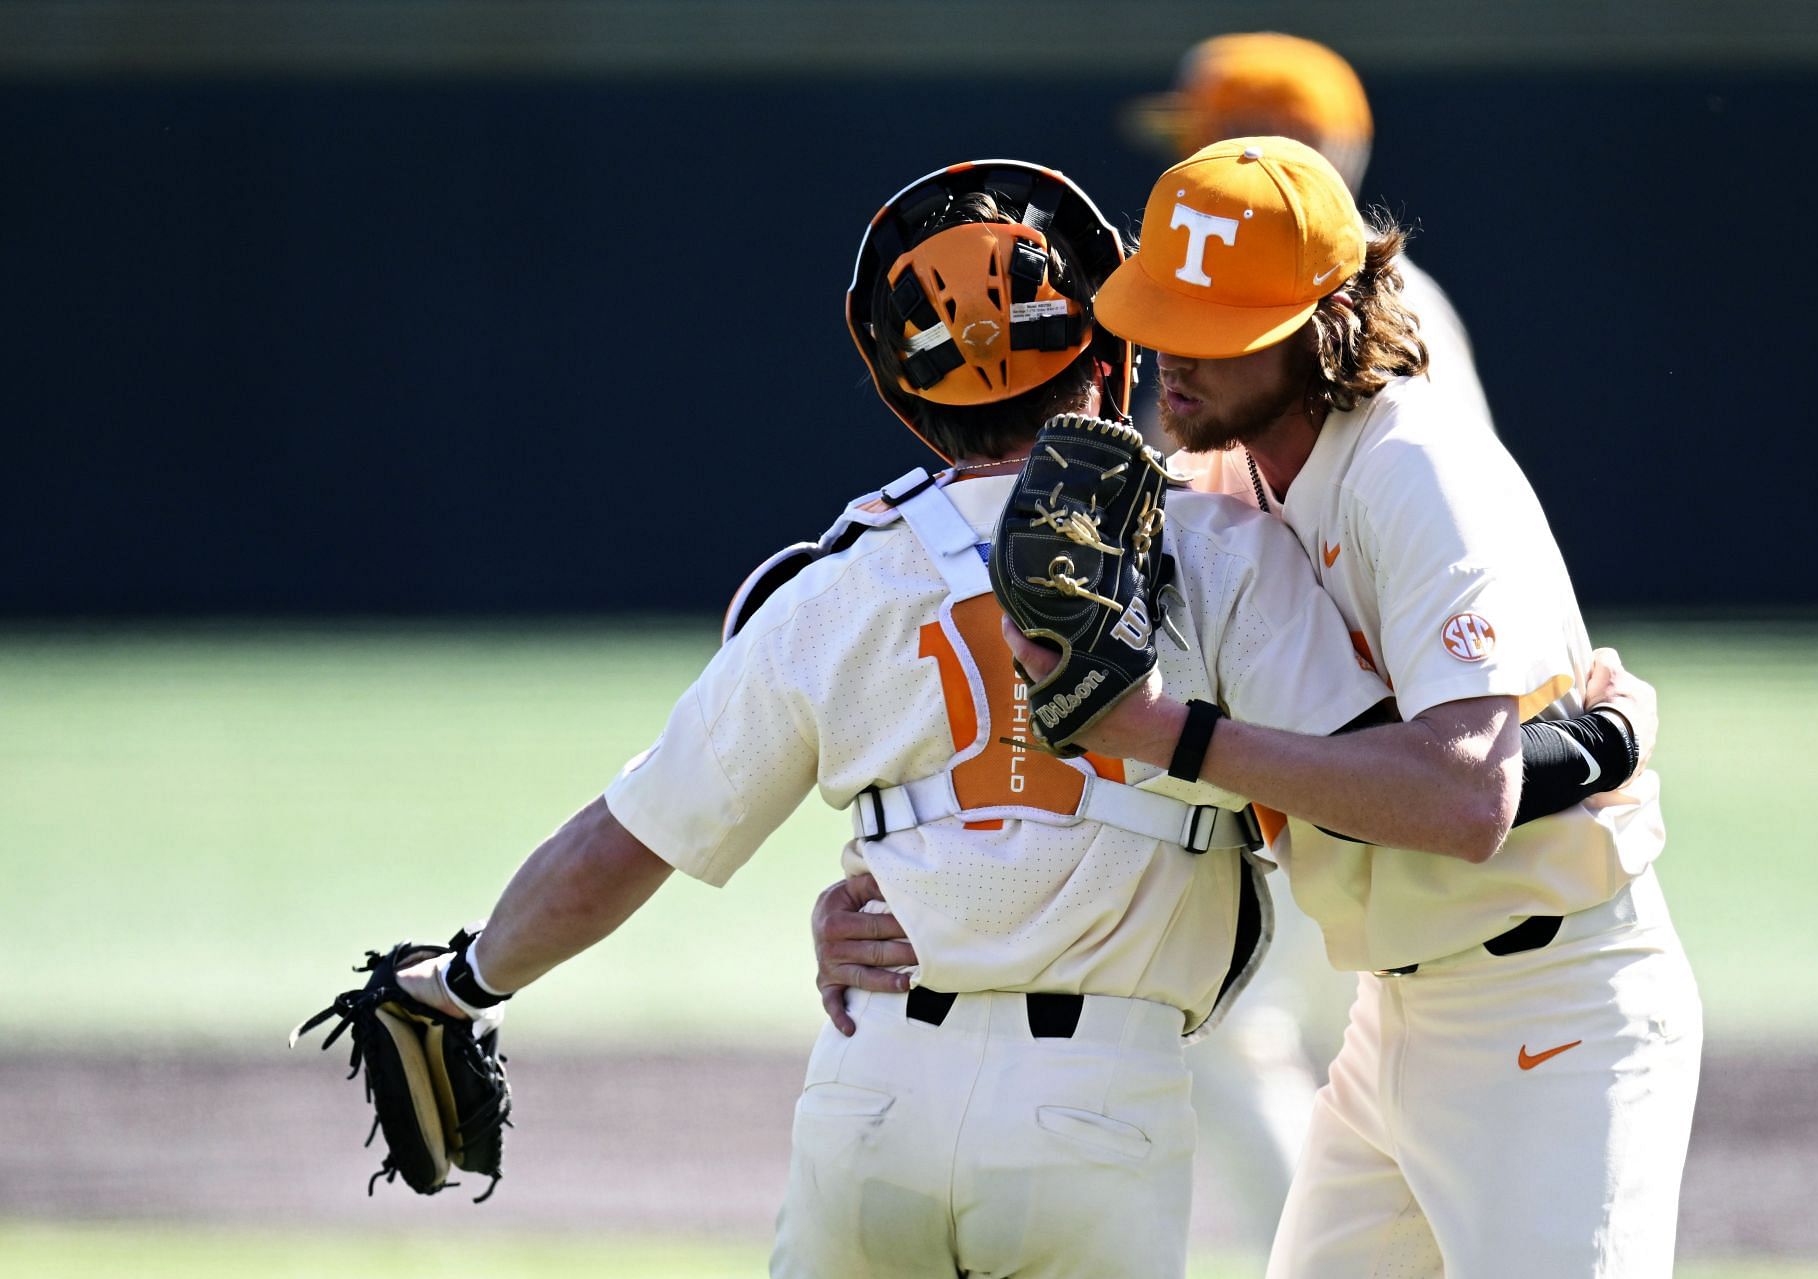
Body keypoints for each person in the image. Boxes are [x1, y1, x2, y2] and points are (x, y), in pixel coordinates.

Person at [391, 157, 1399, 1278]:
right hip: (1098, 1104)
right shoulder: (1223, 550)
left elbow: (624, 839)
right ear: (1110, 359)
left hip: (872, 1090)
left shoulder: (833, 584)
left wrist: (463, 980)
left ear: (904, 394)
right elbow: (1376, 794)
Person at [1023, 136, 1702, 1277]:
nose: (1168, 352)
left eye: (1213, 324)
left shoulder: (1416, 466)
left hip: (1553, 1011)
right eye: (1163, 312)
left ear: (1322, 321)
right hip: (1395, 1016)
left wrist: (1169, 734)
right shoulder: (1231, 475)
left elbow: (1464, 796)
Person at [1124, 30, 1494, 444]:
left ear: (1263, 141)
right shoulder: (1287, 273)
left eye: (1200, 138)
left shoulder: (1378, 300)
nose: (1190, 162)